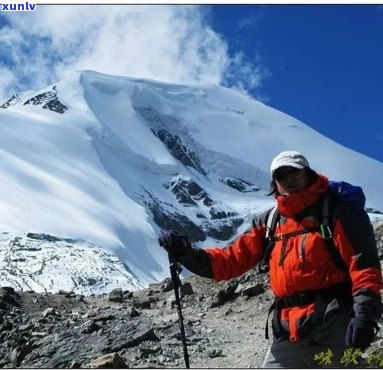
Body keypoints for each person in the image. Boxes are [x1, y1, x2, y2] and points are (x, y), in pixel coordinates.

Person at [158, 150, 383, 368]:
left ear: (308, 174)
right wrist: (185, 252)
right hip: (288, 326)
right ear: (274, 183)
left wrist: (363, 314)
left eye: (294, 172)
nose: (288, 179)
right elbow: (228, 262)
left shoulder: (335, 211)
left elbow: (363, 267)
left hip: (335, 321)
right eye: (281, 175)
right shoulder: (270, 222)